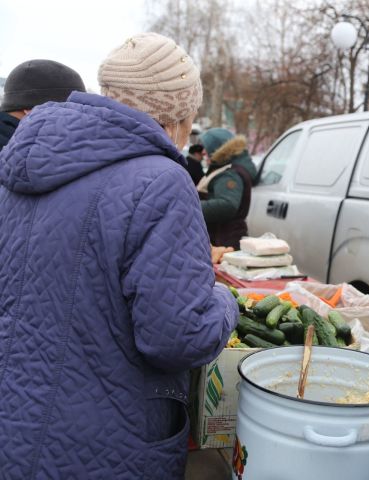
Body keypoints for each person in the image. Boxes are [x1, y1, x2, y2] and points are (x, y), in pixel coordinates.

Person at [0, 33, 236, 478]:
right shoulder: (161, 181)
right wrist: (225, 302)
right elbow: (179, 338)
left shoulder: (16, 169)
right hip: (107, 443)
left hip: (16, 425)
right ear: (175, 117)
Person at [0, 59, 86, 150]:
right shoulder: (22, 151)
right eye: (70, 112)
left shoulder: (19, 142)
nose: (76, 121)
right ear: (32, 109)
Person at [197, 128, 257, 248]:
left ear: (217, 149)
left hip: (224, 242)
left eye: (206, 148)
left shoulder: (230, 174)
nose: (203, 152)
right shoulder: (225, 169)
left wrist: (192, 206)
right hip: (224, 239)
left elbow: (227, 205)